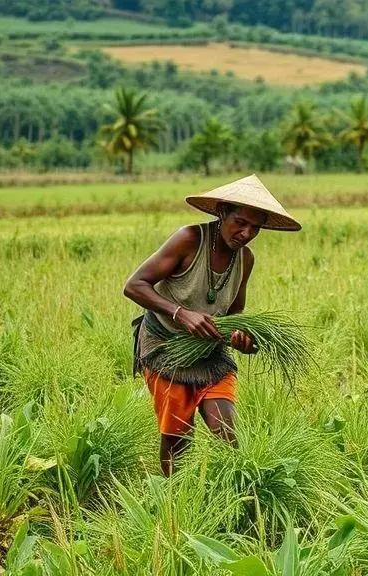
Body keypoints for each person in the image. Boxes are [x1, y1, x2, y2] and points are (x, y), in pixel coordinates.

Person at [124, 174, 301, 476]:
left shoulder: (245, 259)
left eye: (255, 228)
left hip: (209, 351)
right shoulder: (189, 240)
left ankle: (235, 497)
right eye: (240, 222)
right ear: (222, 212)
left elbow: (234, 312)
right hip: (167, 348)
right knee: (177, 439)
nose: (246, 233)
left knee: (228, 437)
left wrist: (240, 338)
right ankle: (173, 502)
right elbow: (134, 285)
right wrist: (181, 313)